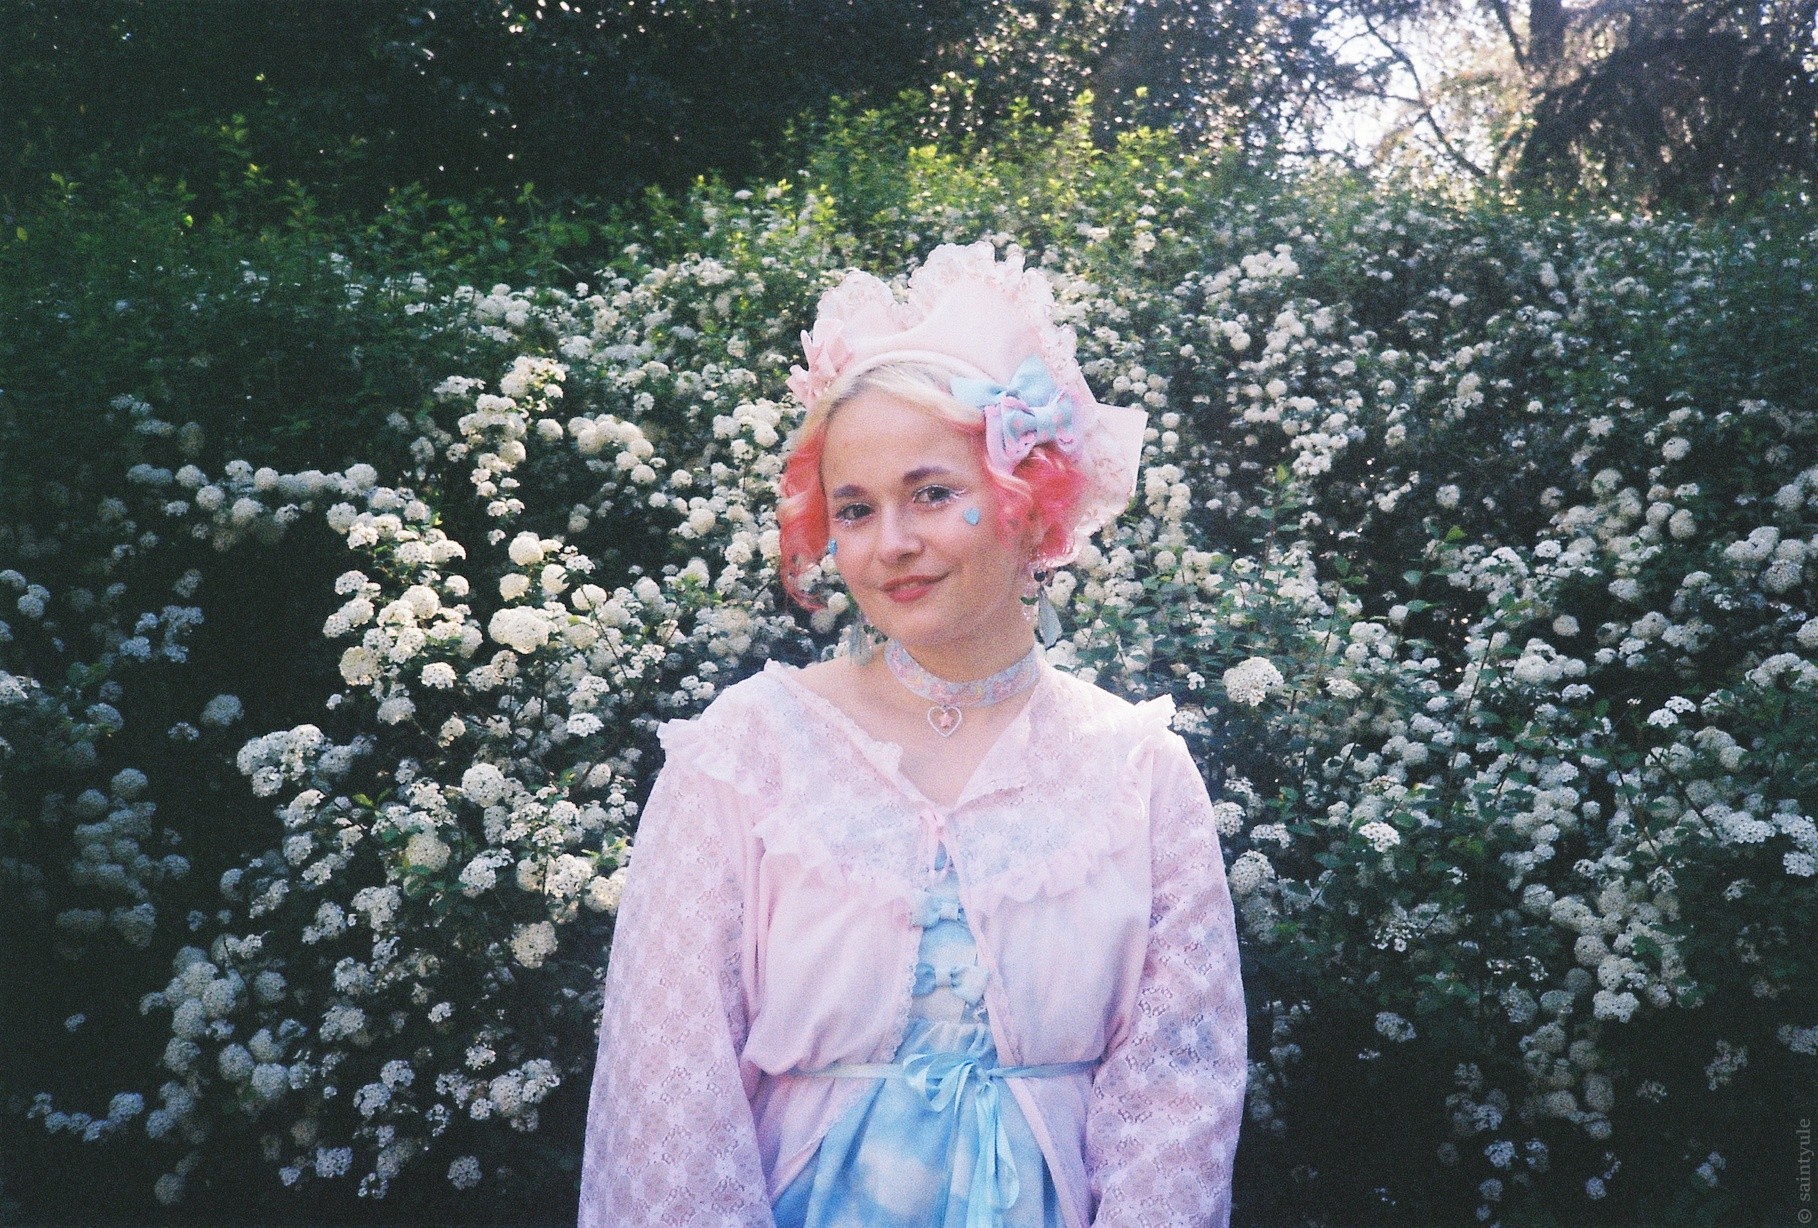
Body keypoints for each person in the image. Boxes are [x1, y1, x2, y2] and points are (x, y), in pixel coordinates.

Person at [579, 242, 1246, 1228]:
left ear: (1029, 506)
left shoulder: (1137, 767)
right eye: (855, 509)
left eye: (932, 493)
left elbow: (1179, 1091)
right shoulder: (748, 750)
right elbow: (668, 1094)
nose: (890, 543)